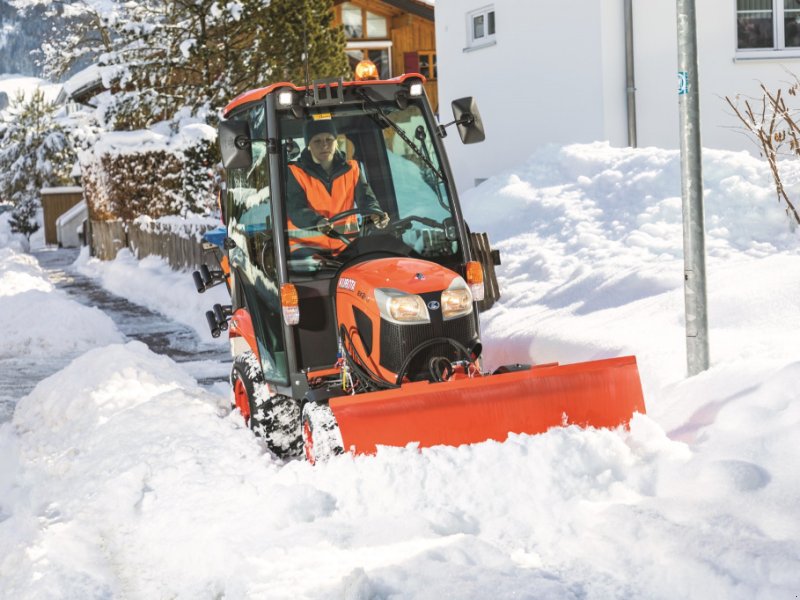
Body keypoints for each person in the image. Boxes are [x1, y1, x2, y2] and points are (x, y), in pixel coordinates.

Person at [285, 118, 389, 256]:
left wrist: (375, 214)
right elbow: (296, 209)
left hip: (346, 246)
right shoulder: (295, 172)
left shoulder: (352, 169)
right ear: (308, 145)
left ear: (336, 141)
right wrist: (317, 222)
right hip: (307, 250)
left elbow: (366, 198)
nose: (324, 145)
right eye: (317, 141)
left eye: (329, 139)